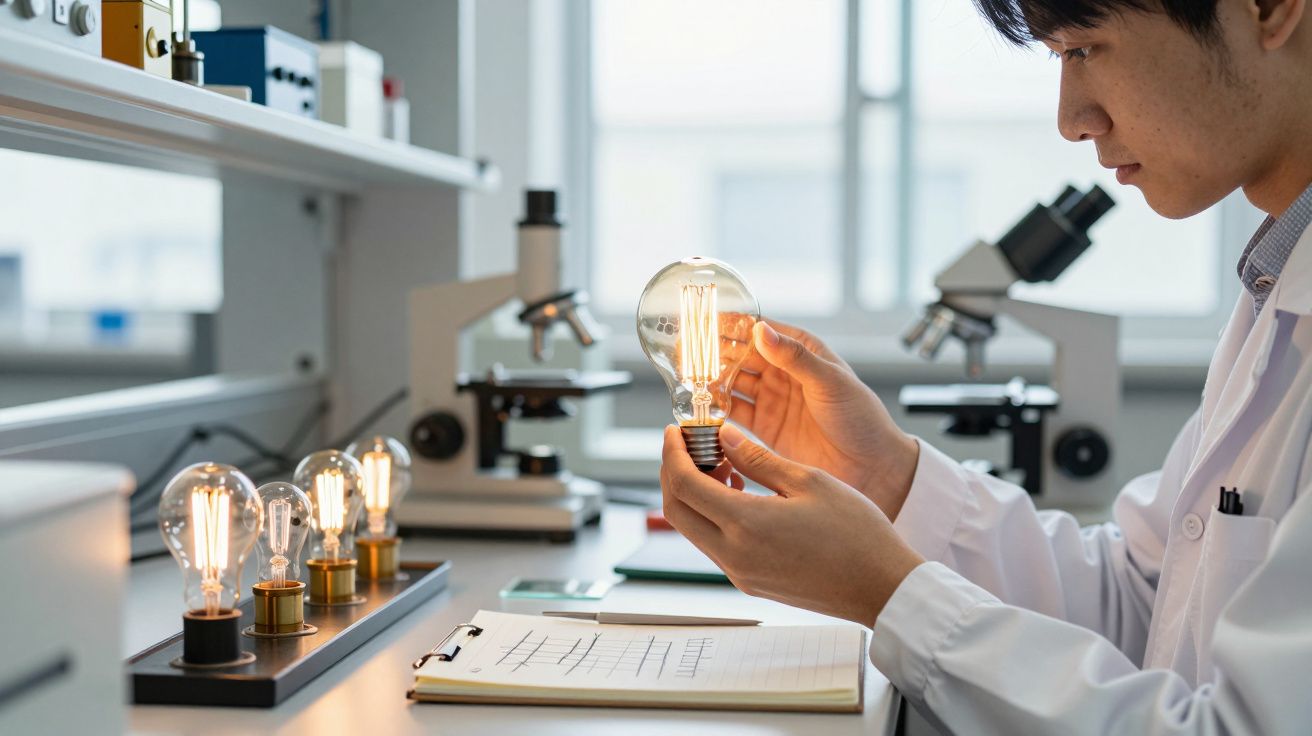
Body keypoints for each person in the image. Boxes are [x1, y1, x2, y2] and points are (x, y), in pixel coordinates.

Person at [659, 0, 1312, 733]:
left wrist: (888, 591)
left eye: (1086, 48)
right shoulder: (1276, 290)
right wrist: (885, 479)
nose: (1071, 119)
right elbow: (1141, 602)